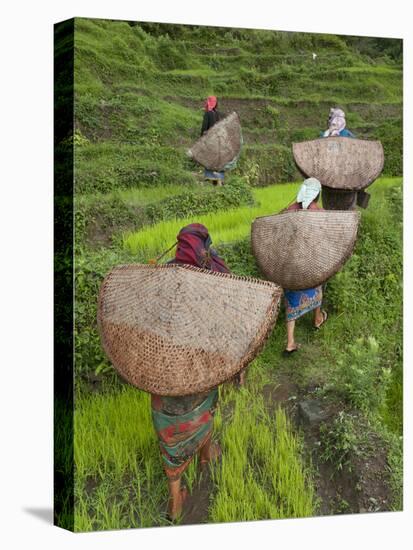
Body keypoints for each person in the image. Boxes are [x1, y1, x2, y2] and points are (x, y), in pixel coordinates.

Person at [151, 224, 229, 521]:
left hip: (163, 369)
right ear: (203, 245)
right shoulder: (213, 274)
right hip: (200, 366)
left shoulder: (161, 277)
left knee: (169, 428)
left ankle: (175, 499)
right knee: (203, 408)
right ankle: (206, 454)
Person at [283, 178, 328, 355]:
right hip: (311, 262)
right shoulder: (319, 212)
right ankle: (317, 318)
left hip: (291, 264)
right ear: (317, 194)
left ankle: (290, 342)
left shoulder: (290, 210)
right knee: (318, 287)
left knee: (292, 298)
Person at [201, 96, 225, 186]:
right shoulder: (217, 114)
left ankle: (209, 177)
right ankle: (219, 178)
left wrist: (201, 139)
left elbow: (204, 128)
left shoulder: (208, 114)